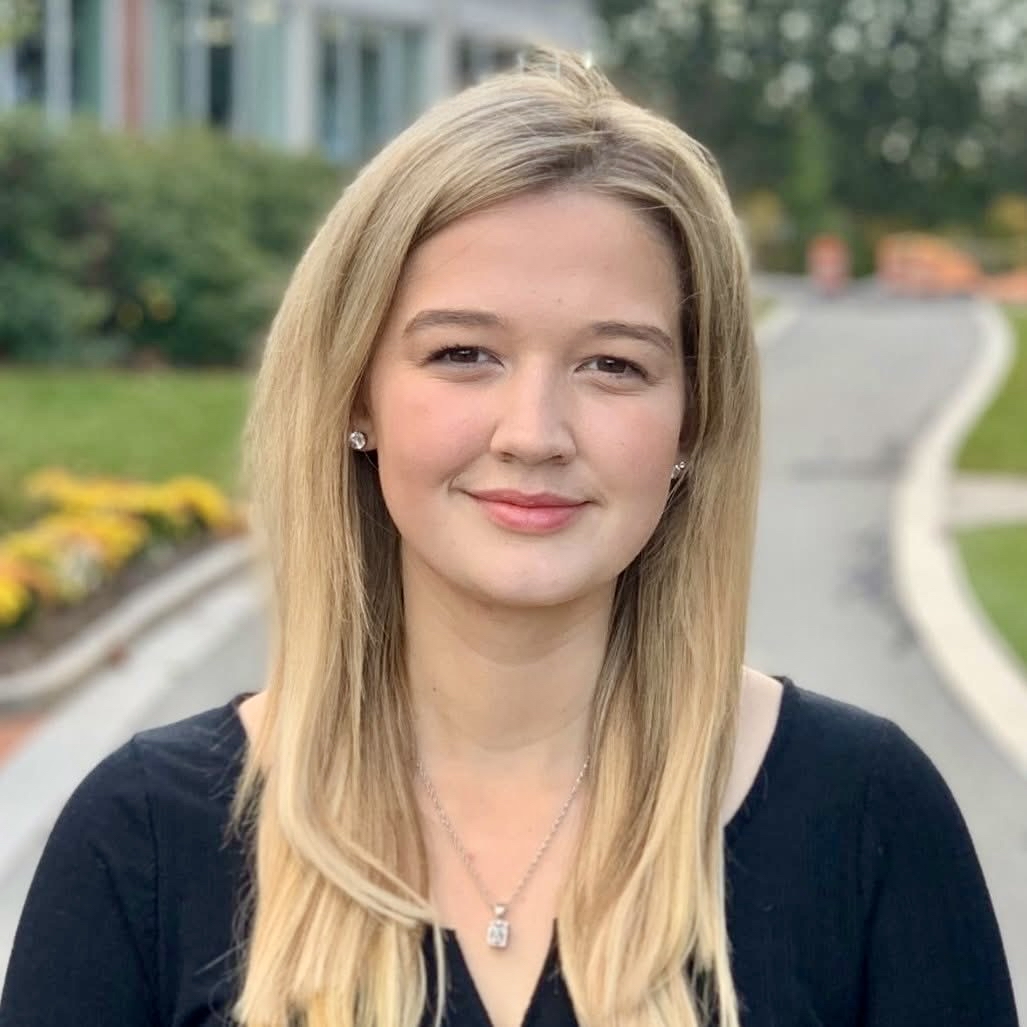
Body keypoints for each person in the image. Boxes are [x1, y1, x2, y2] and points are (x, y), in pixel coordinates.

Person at [0, 49, 1018, 1027]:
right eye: (463, 353)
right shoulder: (146, 838)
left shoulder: (865, 817)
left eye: (613, 365)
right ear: (357, 392)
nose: (533, 433)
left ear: (693, 419)